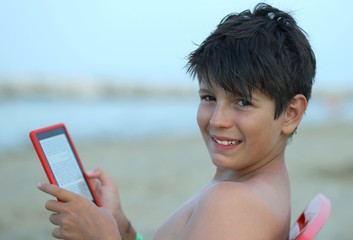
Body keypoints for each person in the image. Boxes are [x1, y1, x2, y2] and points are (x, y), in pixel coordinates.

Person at [37, 2, 316, 240]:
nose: (218, 120)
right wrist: (122, 226)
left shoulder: (234, 204)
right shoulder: (248, 185)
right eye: (208, 97)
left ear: (290, 113)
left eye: (242, 102)